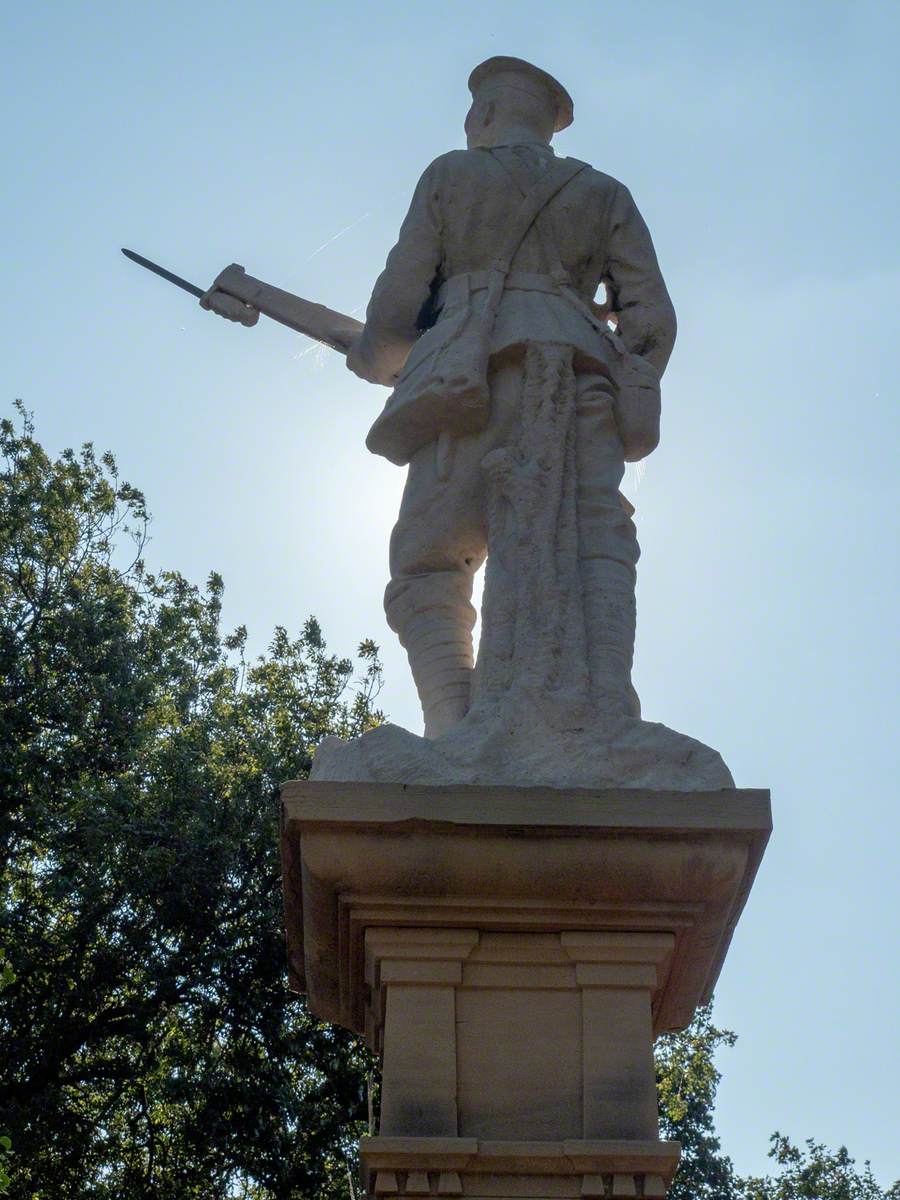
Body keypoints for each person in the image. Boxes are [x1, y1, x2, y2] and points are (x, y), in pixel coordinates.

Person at [348, 55, 677, 741]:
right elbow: (652, 321)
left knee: (429, 560)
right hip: (585, 376)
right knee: (599, 537)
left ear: (485, 115)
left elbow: (395, 309)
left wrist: (375, 355)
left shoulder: (451, 174)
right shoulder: (604, 192)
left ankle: (453, 726)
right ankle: (608, 708)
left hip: (473, 379)